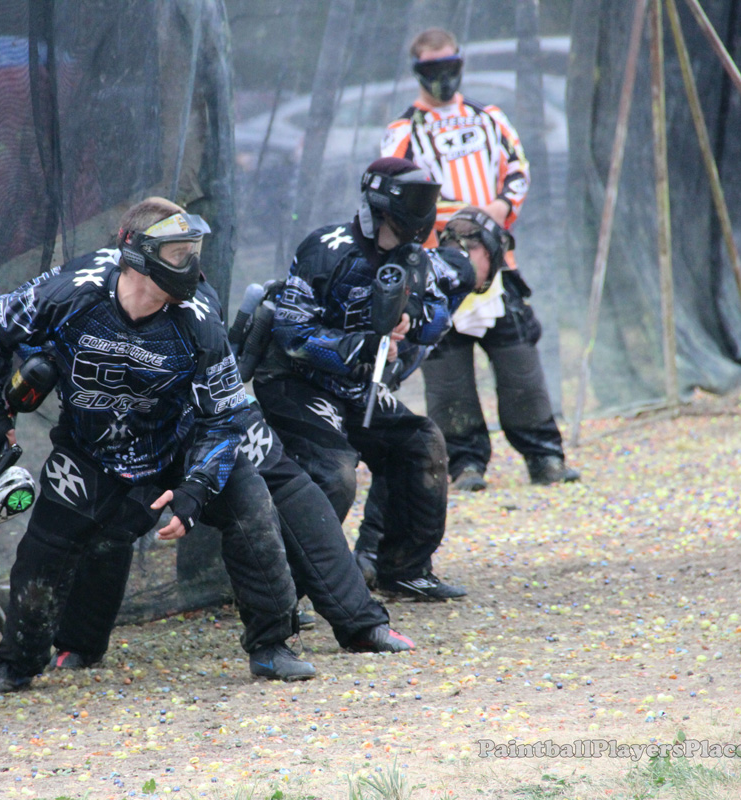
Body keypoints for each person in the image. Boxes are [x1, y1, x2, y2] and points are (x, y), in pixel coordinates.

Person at [0, 197, 315, 692]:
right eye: (178, 253)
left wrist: (196, 487)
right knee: (45, 547)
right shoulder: (70, 290)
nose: (190, 265)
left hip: (179, 442)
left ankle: (271, 646)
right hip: (90, 449)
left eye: (193, 252)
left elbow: (225, 418)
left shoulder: (199, 316)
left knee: (251, 507)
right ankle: (18, 662)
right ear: (136, 253)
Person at [37, 279, 414, 668]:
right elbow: (22, 336)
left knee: (288, 490)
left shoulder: (197, 294)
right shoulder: (90, 291)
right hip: (131, 433)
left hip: (215, 417)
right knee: (114, 521)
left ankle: (350, 622)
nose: (182, 263)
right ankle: (79, 643)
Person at [252, 156, 470, 601]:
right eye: (414, 201)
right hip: (297, 383)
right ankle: (282, 591)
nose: (421, 211)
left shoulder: (416, 259)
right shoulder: (326, 248)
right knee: (335, 476)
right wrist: (360, 346)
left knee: (420, 444)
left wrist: (411, 317)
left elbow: (438, 317)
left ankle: (403, 568)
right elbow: (292, 333)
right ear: (381, 205)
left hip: (356, 388)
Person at [380, 25, 580, 491]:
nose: (443, 75)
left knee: (519, 361)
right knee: (447, 374)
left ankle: (545, 457)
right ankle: (465, 465)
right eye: (433, 68)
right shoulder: (402, 132)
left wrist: (497, 211)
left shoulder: (489, 118)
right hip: (435, 272)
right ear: (417, 71)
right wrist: (462, 223)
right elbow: (397, 194)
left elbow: (518, 170)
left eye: (450, 65)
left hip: (498, 268)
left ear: (461, 64)